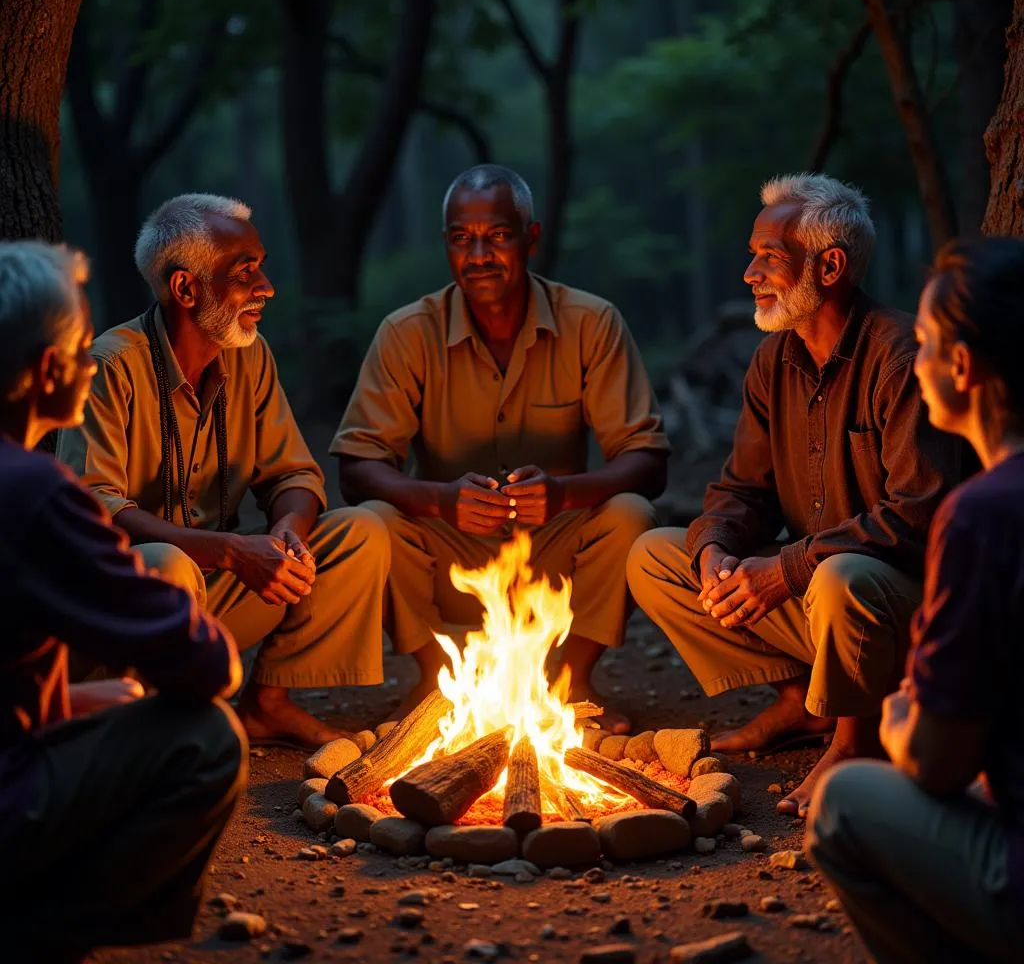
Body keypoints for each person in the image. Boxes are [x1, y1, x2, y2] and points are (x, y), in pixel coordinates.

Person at [627, 172, 961, 814]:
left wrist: (786, 568)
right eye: (753, 255)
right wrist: (717, 551)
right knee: (658, 555)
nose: (749, 273)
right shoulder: (772, 360)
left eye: (769, 257)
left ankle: (854, 741)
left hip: (902, 613)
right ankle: (800, 702)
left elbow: (922, 515)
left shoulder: (899, 356)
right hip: (821, 600)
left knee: (840, 576)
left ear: (830, 266)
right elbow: (740, 490)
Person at [332, 164, 670, 731]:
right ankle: (435, 678)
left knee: (632, 515)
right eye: (462, 238)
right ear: (447, 246)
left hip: (554, 551)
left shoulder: (591, 323)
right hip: (449, 552)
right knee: (372, 522)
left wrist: (563, 493)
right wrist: (440, 500)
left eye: (497, 236)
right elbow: (357, 467)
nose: (479, 254)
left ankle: (576, 679)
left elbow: (648, 461)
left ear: (530, 238)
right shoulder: (407, 332)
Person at [57, 193, 390, 749]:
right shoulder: (110, 365)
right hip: (128, 610)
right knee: (166, 563)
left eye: (261, 266)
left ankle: (267, 707)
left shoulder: (249, 356)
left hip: (216, 594)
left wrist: (287, 534)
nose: (267, 287)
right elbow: (96, 514)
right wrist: (231, 551)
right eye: (246, 271)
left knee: (361, 533)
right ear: (186, 288)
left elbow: (295, 478)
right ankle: (146, 724)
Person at [0, 241, 245, 963]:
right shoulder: (34, 491)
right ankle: (35, 937)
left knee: (106, 696)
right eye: (81, 348)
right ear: (48, 372)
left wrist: (69, 703)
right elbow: (208, 667)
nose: (91, 364)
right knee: (207, 739)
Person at [806, 237, 1024, 964]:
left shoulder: (985, 513)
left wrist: (898, 720)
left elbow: (936, 760)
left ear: (962, 367)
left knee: (844, 806)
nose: (916, 360)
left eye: (926, 344)